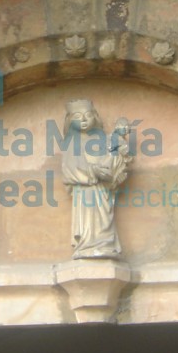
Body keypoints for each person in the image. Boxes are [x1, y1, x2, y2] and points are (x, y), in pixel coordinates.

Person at [60, 100, 132, 259]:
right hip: (85, 190)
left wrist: (119, 137)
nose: (84, 120)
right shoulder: (72, 143)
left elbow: (114, 158)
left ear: (95, 117)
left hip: (103, 189)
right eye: (78, 116)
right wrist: (93, 172)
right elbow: (69, 170)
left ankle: (104, 245)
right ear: (70, 120)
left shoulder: (103, 140)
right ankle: (88, 246)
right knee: (89, 221)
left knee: (104, 219)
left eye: (88, 115)